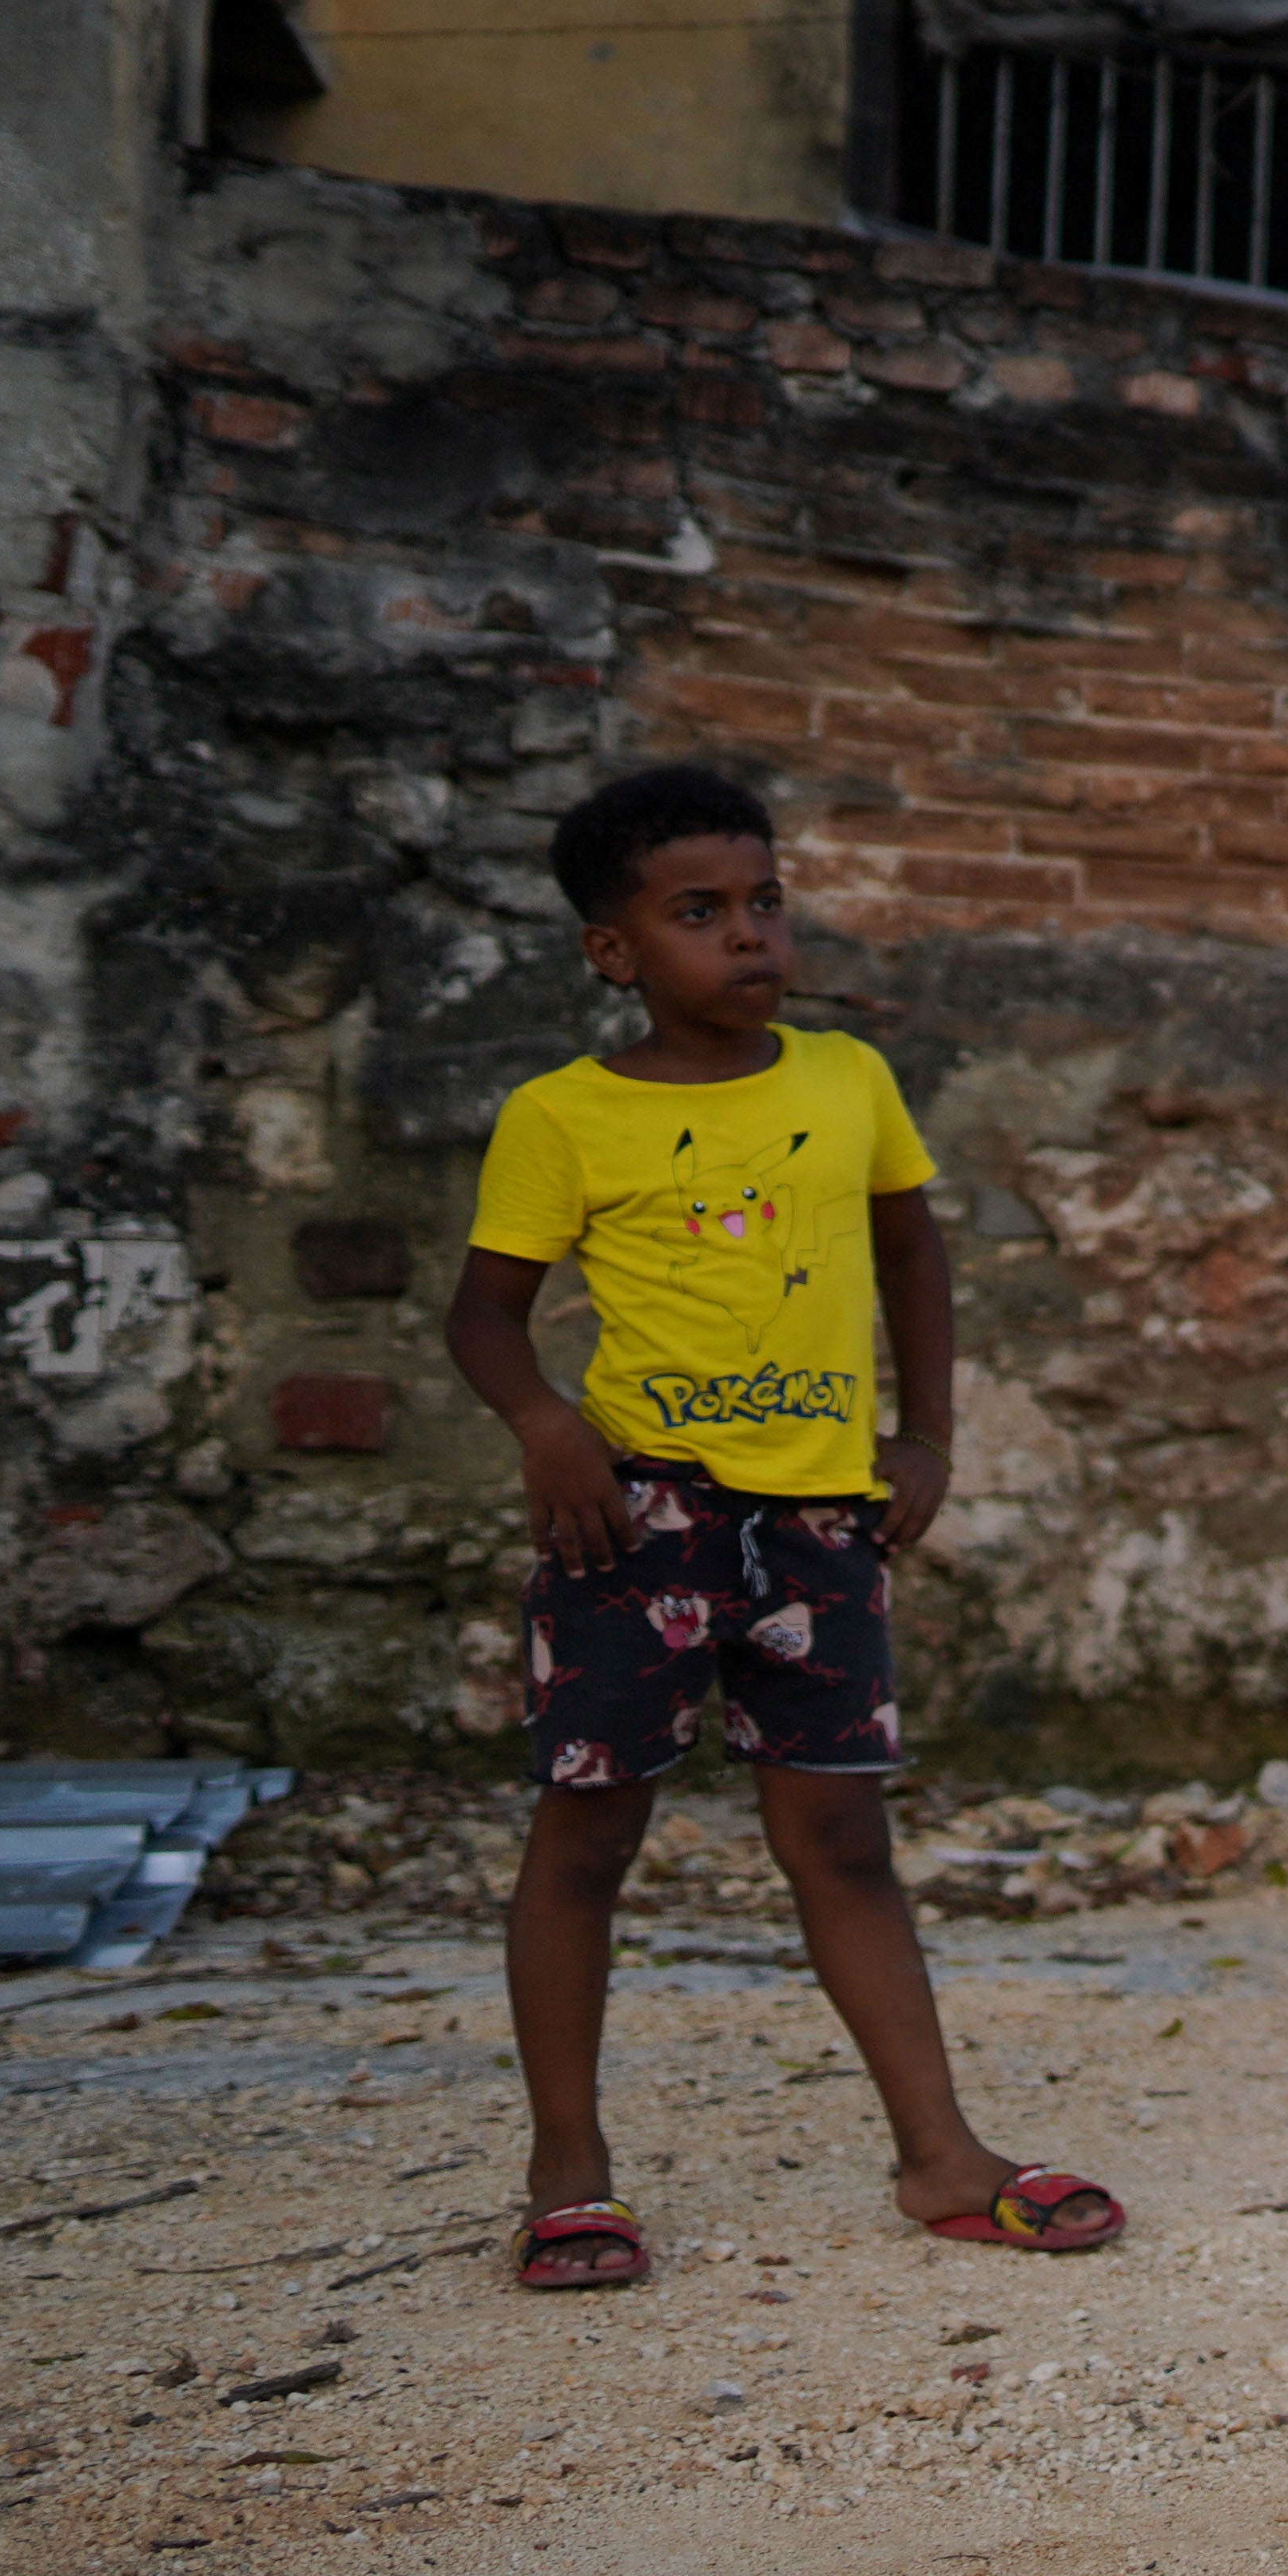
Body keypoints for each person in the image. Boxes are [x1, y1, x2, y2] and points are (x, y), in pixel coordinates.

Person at [444, 762, 1119, 2294]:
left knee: (844, 1841)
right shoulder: (565, 1116)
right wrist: (550, 1428)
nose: (748, 937)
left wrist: (928, 1434)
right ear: (614, 949)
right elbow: (483, 1318)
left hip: (823, 1522)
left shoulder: (846, 1082)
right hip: (638, 1524)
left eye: (765, 903)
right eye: (699, 913)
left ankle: (940, 2151)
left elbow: (912, 1255)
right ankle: (568, 2176)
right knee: (586, 1840)